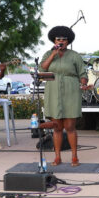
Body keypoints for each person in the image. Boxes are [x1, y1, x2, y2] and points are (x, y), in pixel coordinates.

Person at [40, 26, 88, 166]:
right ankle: (57, 157)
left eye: (64, 39)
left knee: (70, 126)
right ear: (54, 41)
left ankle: (74, 157)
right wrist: (53, 55)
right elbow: (42, 68)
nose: (61, 41)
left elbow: (82, 74)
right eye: (58, 39)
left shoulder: (74, 55)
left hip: (71, 91)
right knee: (57, 127)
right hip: (53, 91)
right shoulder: (48, 53)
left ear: (68, 41)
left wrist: (84, 83)